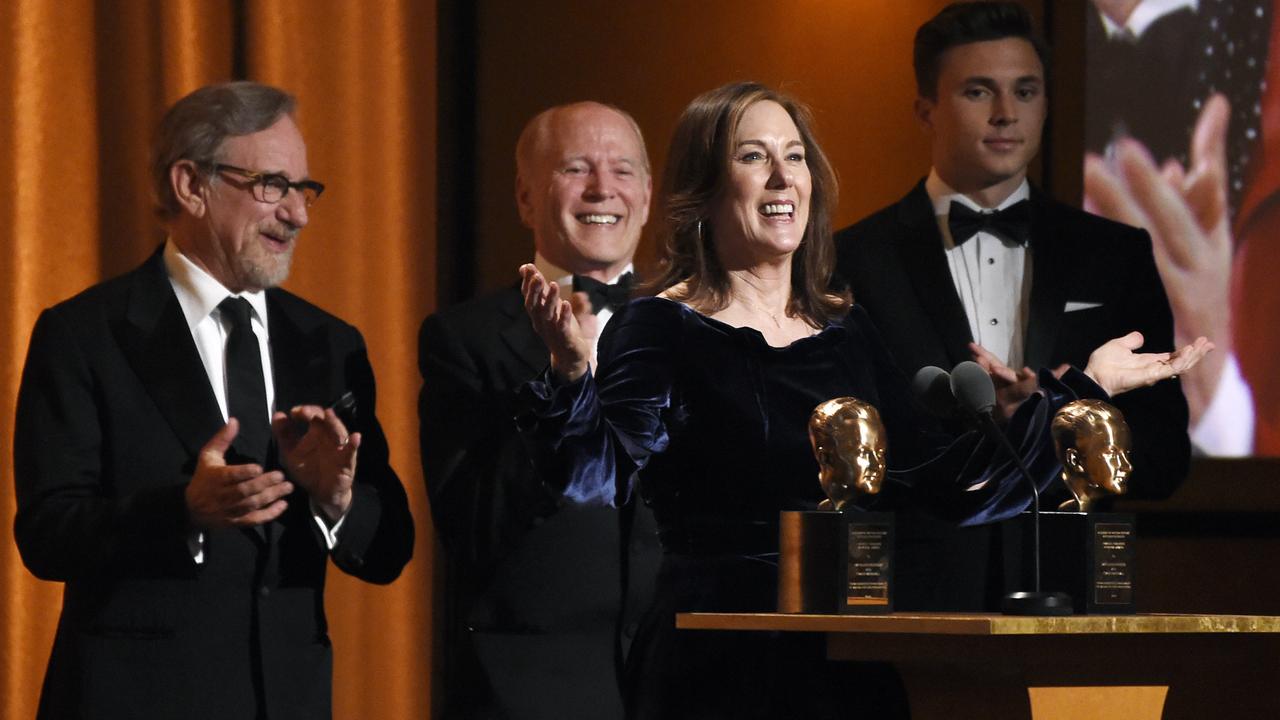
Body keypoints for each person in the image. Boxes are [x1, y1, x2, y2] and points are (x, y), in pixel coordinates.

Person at [517, 80, 1207, 719]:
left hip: (845, 660)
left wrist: (1084, 389)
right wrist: (573, 375)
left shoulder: (846, 331)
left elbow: (952, 484)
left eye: (795, 157)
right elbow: (593, 475)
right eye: (754, 157)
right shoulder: (663, 325)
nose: (785, 177)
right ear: (704, 187)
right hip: (717, 663)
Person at [13, 81, 414, 720]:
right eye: (271, 186)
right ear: (190, 186)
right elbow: (47, 534)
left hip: (287, 701)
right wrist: (184, 512)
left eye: (303, 189)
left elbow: (389, 547)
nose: (298, 214)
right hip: (136, 700)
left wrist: (336, 501)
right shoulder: (85, 334)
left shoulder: (330, 344)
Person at [834, 1, 1193, 609]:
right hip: (917, 608)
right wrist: (985, 427)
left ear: (1046, 104)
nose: (1006, 114)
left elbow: (1165, 456)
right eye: (979, 91)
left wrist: (1056, 419)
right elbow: (846, 453)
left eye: (1025, 91)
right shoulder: (853, 260)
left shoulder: (1116, 254)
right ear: (926, 110)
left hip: (1076, 600)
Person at [419, 101, 659, 719]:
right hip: (533, 691)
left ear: (648, 195)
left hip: (682, 681)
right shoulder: (464, 339)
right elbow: (474, 528)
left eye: (623, 170)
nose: (603, 188)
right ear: (526, 199)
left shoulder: (700, 325)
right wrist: (563, 381)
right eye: (576, 168)